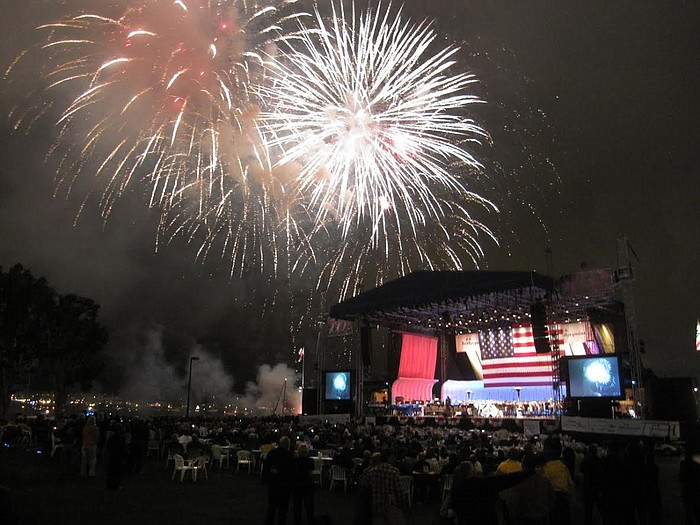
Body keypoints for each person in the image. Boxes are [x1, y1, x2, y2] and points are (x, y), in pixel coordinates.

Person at [359, 451, 407, 525]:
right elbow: (399, 491)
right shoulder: (394, 471)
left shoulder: (371, 471)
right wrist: (401, 504)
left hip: (376, 505)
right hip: (390, 505)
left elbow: (363, 486)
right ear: (389, 458)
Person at [540, 438, 574, 525]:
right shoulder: (563, 466)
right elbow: (571, 486)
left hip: (551, 501)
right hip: (564, 501)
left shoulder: (545, 468)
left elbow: (543, 486)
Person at [263, 435, 294, 525]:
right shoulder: (290, 456)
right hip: (285, 486)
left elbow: (266, 467)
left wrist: (269, 477)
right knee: (283, 511)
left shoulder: (272, 453)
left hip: (273, 484)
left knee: (271, 508)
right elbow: (291, 471)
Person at [292, 443, 316, 525]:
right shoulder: (310, 461)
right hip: (308, 484)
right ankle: (310, 519)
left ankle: (297, 520)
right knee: (309, 505)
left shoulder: (295, 461)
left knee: (297, 505)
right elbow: (311, 472)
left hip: (297, 484)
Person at [679, 448, 700, 525]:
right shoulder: (695, 465)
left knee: (689, 514)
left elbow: (681, 478)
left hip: (687, 491)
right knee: (696, 513)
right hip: (694, 491)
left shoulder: (683, 464)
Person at [105, 423, 127, 490]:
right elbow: (123, 447)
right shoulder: (121, 438)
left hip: (112, 455)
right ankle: (116, 485)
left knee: (111, 471)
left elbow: (108, 446)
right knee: (117, 472)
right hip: (118, 456)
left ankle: (109, 484)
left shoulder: (111, 438)